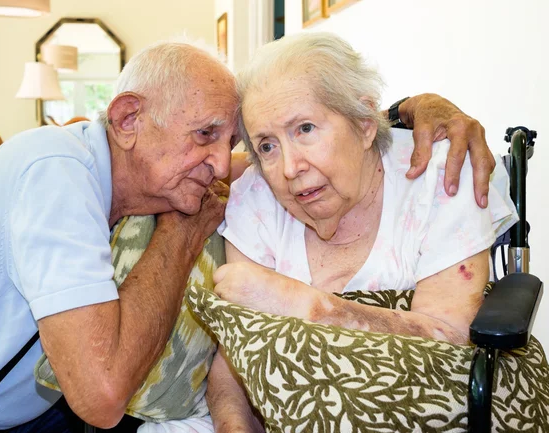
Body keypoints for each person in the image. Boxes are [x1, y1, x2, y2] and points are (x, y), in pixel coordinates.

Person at [0, 36, 496, 432]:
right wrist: (183, 231)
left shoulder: (142, 171)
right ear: (128, 120)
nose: (220, 162)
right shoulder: (54, 175)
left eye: (230, 139)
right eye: (207, 135)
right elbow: (104, 396)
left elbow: (320, 128)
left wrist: (416, 107)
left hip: (37, 410)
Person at [208, 32, 517, 432]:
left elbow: (454, 350)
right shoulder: (256, 199)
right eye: (267, 146)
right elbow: (232, 362)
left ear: (365, 123)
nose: (288, 168)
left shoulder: (441, 179)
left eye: (305, 128)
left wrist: (302, 304)